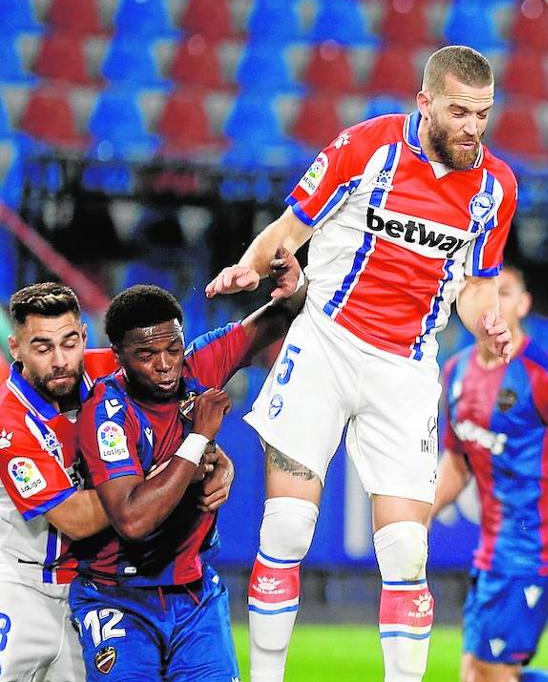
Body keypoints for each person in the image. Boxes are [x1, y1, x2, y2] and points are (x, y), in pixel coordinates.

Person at [204, 45, 517, 682]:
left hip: (406, 370)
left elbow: (476, 284)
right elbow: (289, 230)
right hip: (325, 344)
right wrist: (251, 262)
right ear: (425, 102)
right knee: (287, 530)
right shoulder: (365, 147)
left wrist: (488, 319)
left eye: (482, 115)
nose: (471, 128)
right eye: (459, 111)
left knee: (407, 551)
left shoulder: (495, 187)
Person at [71, 253, 303, 682]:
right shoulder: (106, 412)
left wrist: (293, 280)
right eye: (146, 354)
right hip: (117, 596)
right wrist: (199, 441)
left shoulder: (201, 365)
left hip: (195, 595)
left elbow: (282, 314)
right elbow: (133, 518)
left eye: (172, 348)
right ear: (118, 355)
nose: (164, 364)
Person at [0, 283, 234, 682]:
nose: (60, 360)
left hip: (89, 591)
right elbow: (75, 518)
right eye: (42, 347)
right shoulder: (9, 425)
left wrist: (218, 461)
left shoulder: (111, 367)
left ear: (84, 337)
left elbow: (180, 390)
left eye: (69, 342)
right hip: (20, 589)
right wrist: (181, 472)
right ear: (16, 348)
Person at [432, 265, 548, 682]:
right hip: (492, 550)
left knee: (488, 672)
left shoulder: (541, 373)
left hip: (534, 547)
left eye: (506, 292)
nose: (493, 302)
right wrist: (419, 517)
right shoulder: (456, 371)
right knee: (476, 674)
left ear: (523, 305)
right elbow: (458, 463)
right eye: (483, 292)